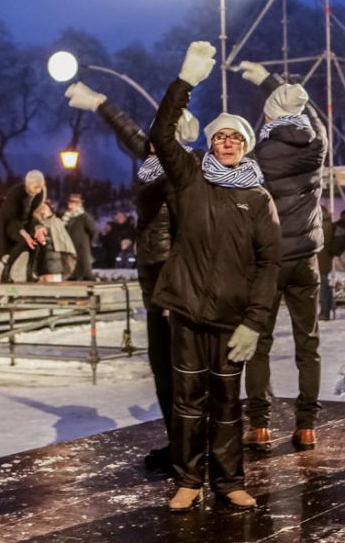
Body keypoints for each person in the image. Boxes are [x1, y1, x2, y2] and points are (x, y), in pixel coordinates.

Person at [151, 41, 280, 511]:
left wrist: (255, 321)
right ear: (210, 143)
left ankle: (229, 481)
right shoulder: (190, 179)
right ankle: (188, 479)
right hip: (187, 310)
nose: (228, 143)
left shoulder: (259, 199)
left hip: (232, 318)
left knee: (227, 403)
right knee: (188, 400)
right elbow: (161, 134)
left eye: (236, 138)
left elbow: (270, 264)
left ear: (246, 147)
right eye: (221, 136)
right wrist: (185, 83)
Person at [65, 80, 201, 473]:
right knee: (162, 366)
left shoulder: (186, 168)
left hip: (173, 280)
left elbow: (190, 232)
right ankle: (178, 442)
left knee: (181, 367)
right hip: (154, 280)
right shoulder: (156, 160)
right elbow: (132, 136)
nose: (152, 141)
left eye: (163, 134)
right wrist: (103, 104)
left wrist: (176, 282)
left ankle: (193, 446)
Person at [234, 63, 327, 451]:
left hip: (270, 262)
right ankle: (307, 426)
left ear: (269, 116)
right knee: (309, 343)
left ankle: (259, 424)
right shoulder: (317, 145)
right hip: (307, 259)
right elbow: (314, 116)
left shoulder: (259, 153)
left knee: (260, 341)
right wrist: (273, 84)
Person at [0, 170, 46, 282]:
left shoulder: (39, 194)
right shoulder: (16, 192)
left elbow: (35, 213)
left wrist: (38, 228)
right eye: (35, 187)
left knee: (36, 243)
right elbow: (12, 217)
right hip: (10, 223)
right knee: (23, 241)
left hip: (27, 222)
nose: (37, 191)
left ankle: (30, 272)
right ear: (28, 184)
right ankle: (5, 273)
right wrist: (26, 235)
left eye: (39, 188)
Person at [31, 202, 77, 282]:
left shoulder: (50, 223)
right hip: (50, 261)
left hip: (51, 260)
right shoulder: (52, 222)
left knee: (49, 283)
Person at [60, 193, 98, 281]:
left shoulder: (84, 217)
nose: (70, 205)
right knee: (72, 271)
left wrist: (91, 243)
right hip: (70, 248)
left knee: (85, 272)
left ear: (78, 205)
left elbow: (94, 231)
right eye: (69, 203)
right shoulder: (67, 217)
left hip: (82, 248)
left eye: (72, 203)